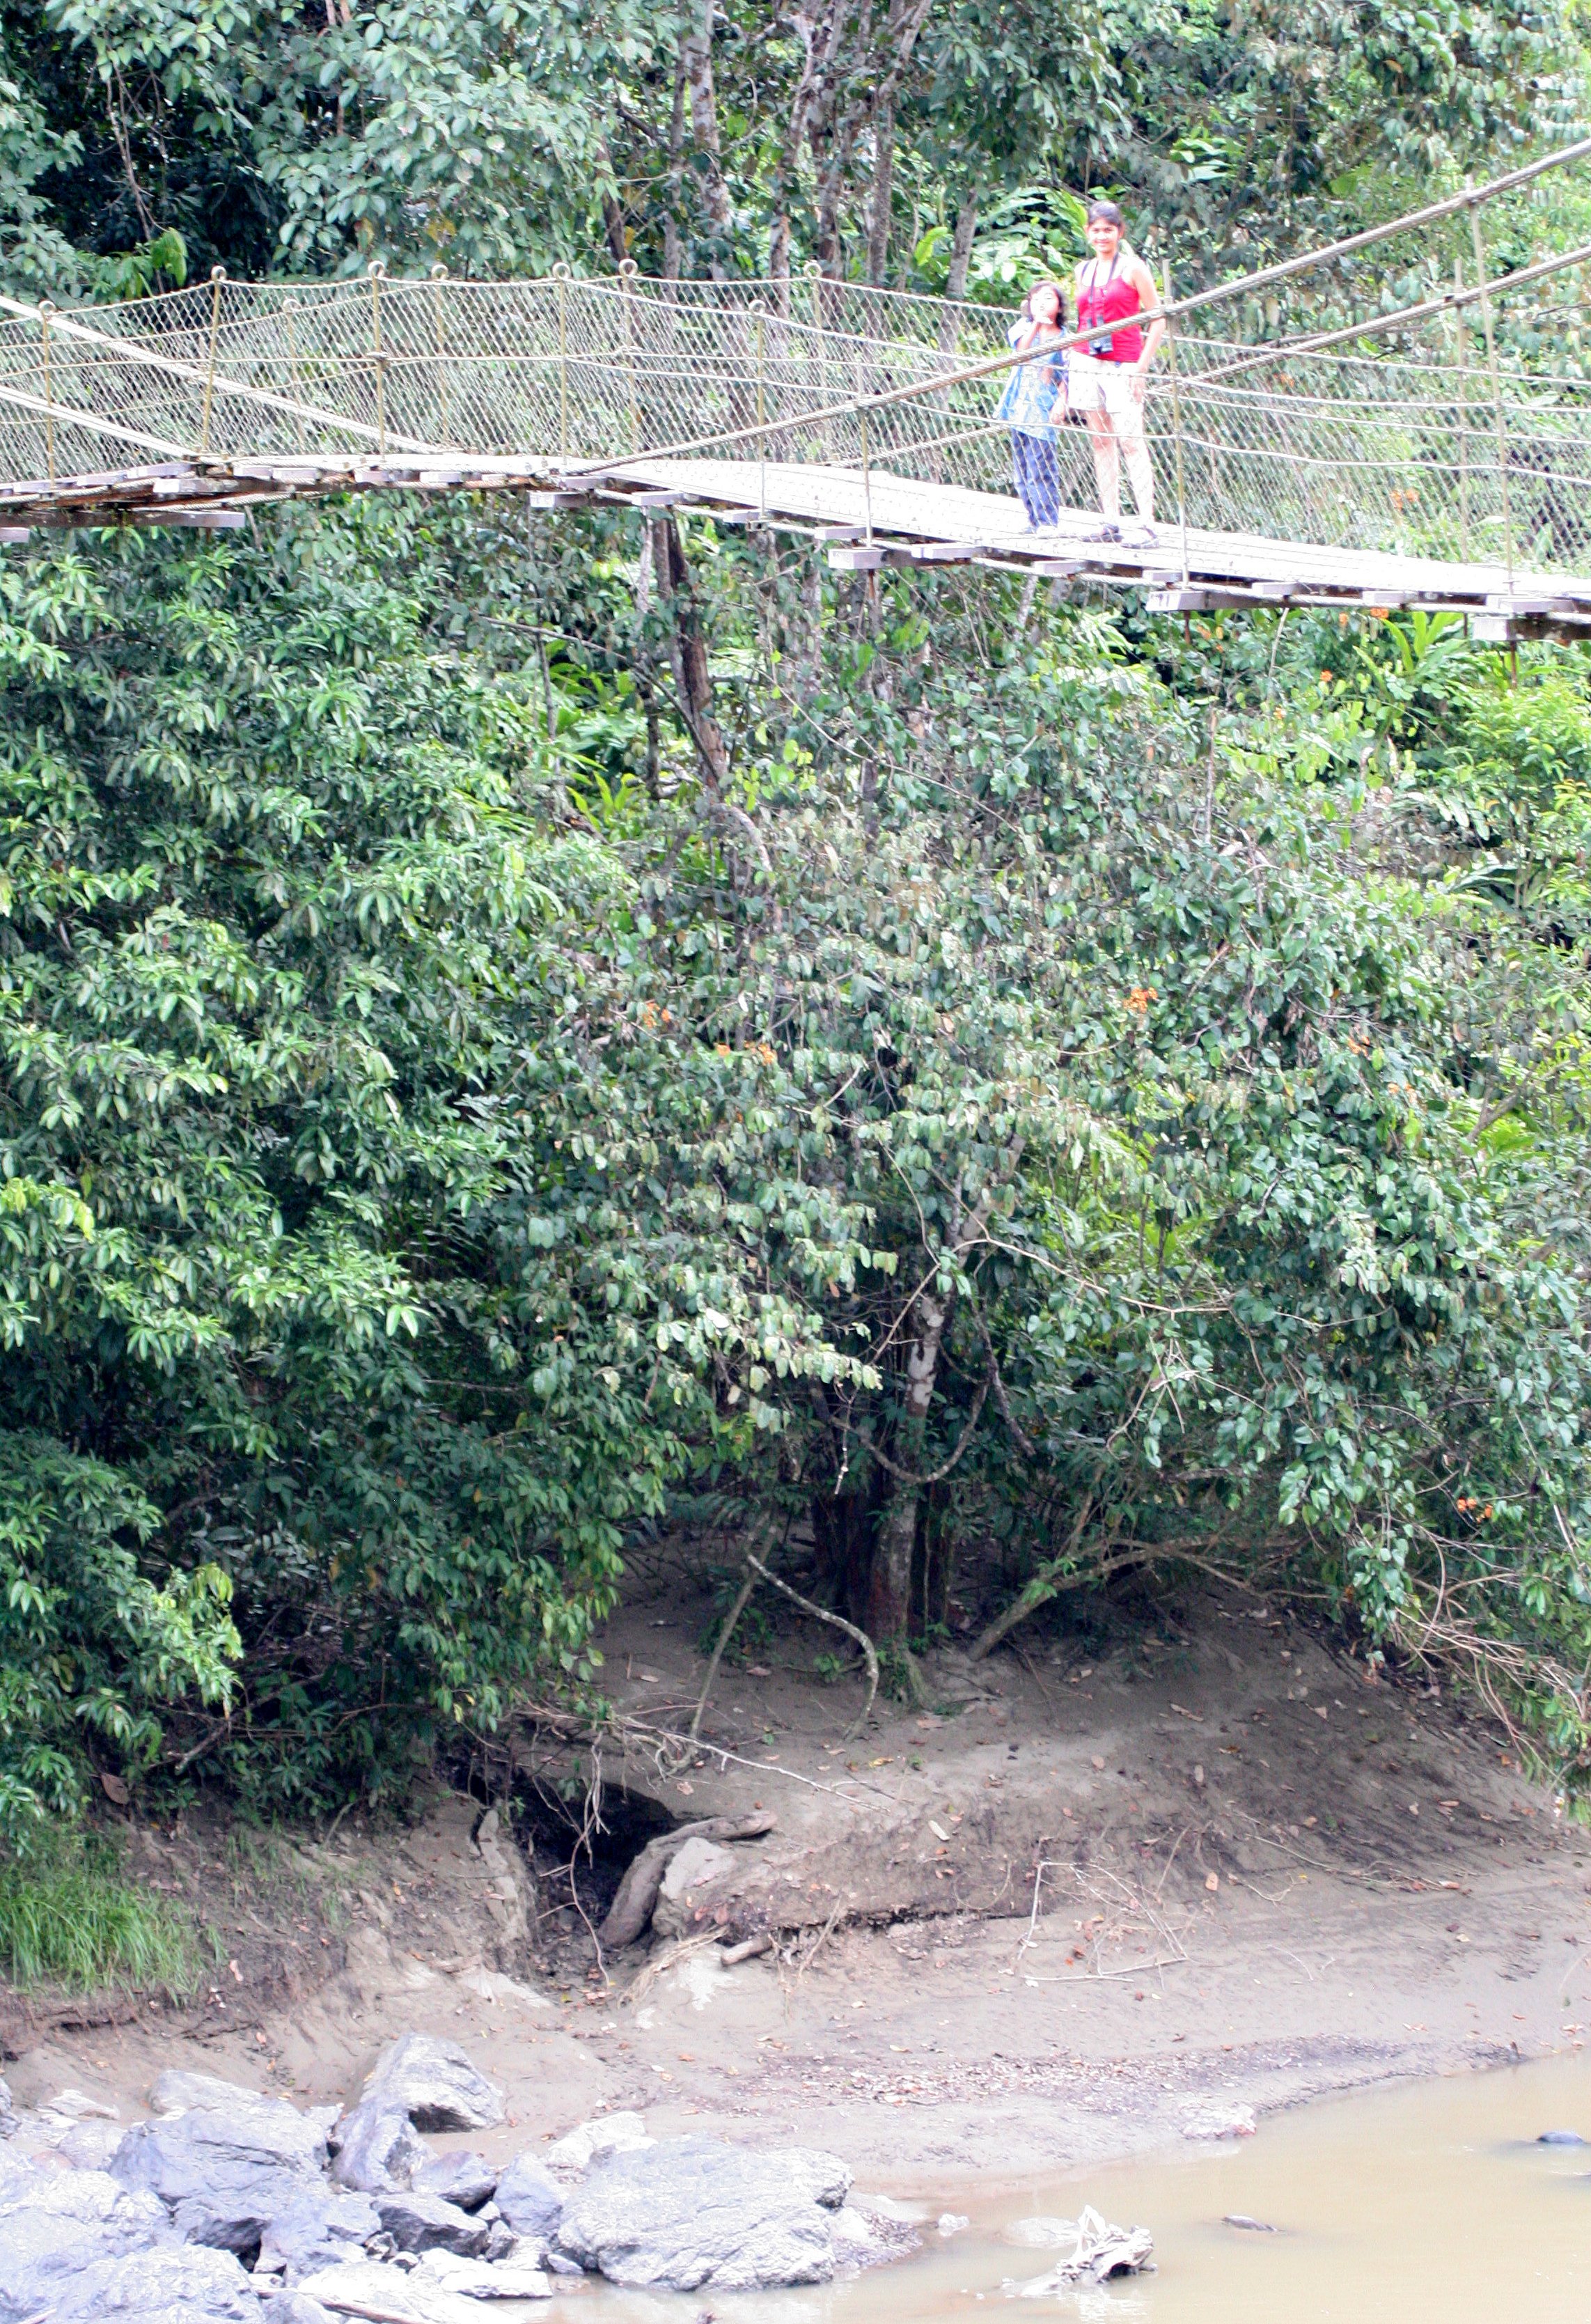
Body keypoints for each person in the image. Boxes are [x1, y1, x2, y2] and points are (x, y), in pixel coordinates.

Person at [1069, 201, 1164, 546]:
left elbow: (1158, 318)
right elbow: (1081, 319)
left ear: (1120, 232)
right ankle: (1109, 520)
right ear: (1088, 233)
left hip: (1123, 361)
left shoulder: (1133, 268)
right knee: (1100, 439)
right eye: (1096, 230)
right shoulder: (1083, 270)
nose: (1102, 236)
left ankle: (1147, 525)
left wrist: (1142, 367)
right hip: (1086, 360)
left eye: (1108, 230)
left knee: (1130, 441)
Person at [996, 279, 1068, 531]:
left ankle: (1048, 521)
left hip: (1042, 409)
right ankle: (1033, 519)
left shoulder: (1065, 338)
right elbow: (1021, 353)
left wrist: (1063, 401)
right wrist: (1037, 323)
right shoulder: (1024, 327)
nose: (1041, 302)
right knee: (1022, 472)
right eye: (1036, 298)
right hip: (1018, 407)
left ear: (1059, 306)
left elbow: (1067, 375)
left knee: (1042, 468)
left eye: (1048, 298)